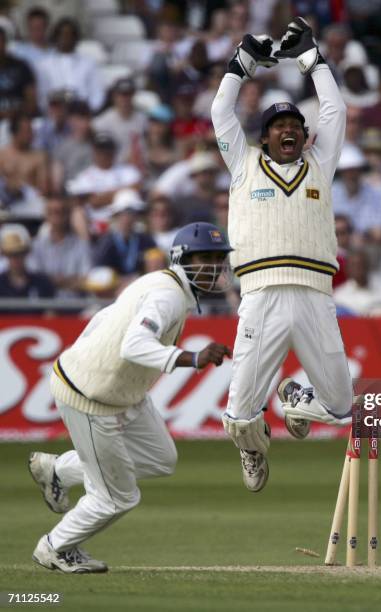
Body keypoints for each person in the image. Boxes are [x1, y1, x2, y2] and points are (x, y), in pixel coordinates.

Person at [29, 221, 233, 573]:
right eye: (205, 258)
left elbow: (104, 319)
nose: (214, 266)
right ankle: (55, 547)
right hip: (90, 399)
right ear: (181, 259)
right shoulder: (167, 294)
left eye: (219, 258)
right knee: (116, 497)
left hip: (123, 393)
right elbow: (135, 344)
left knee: (160, 458)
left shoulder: (166, 286)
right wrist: (194, 358)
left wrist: (90, 353)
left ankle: (59, 470)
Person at [211, 19, 353, 493]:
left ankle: (295, 399)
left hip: (315, 293)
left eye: (294, 125)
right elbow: (220, 111)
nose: (287, 131)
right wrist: (243, 62)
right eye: (278, 127)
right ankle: (252, 447)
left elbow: (335, 110)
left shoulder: (319, 163)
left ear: (303, 135)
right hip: (261, 294)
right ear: (265, 137)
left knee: (340, 407)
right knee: (238, 412)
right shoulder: (243, 163)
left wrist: (311, 58)